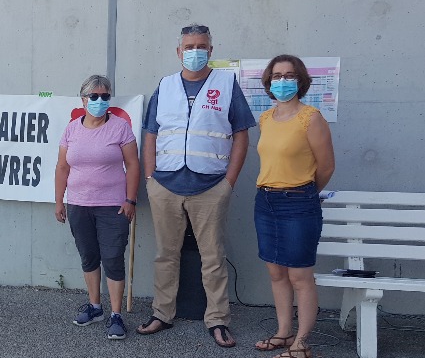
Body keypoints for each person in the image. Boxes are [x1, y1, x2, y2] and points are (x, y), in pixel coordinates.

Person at [137, 24, 256, 348]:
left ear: (211, 50)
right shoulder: (166, 85)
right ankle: (162, 313)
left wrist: (228, 183)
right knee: (165, 255)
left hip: (210, 187)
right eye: (188, 47)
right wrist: (150, 178)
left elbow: (241, 135)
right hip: (166, 185)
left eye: (201, 46)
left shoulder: (226, 84)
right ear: (179, 52)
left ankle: (217, 320)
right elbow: (151, 133)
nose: (194, 52)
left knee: (213, 257)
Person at [253, 55, 334, 358]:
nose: (282, 81)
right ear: (269, 81)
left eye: (289, 75)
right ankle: (284, 332)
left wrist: (304, 193)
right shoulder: (265, 118)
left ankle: (302, 343)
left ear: (300, 80)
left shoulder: (311, 118)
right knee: (276, 273)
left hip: (299, 202)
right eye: (277, 76)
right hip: (266, 201)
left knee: (300, 277)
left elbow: (326, 166)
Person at [55, 75, 140, 340]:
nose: (99, 101)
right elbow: (62, 167)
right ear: (83, 100)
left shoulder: (120, 128)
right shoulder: (71, 129)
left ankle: (116, 315)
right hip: (79, 205)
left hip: (113, 207)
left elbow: (133, 165)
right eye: (94, 96)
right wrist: (59, 200)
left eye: (105, 96)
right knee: (88, 256)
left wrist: (131, 199)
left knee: (113, 258)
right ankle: (95, 307)